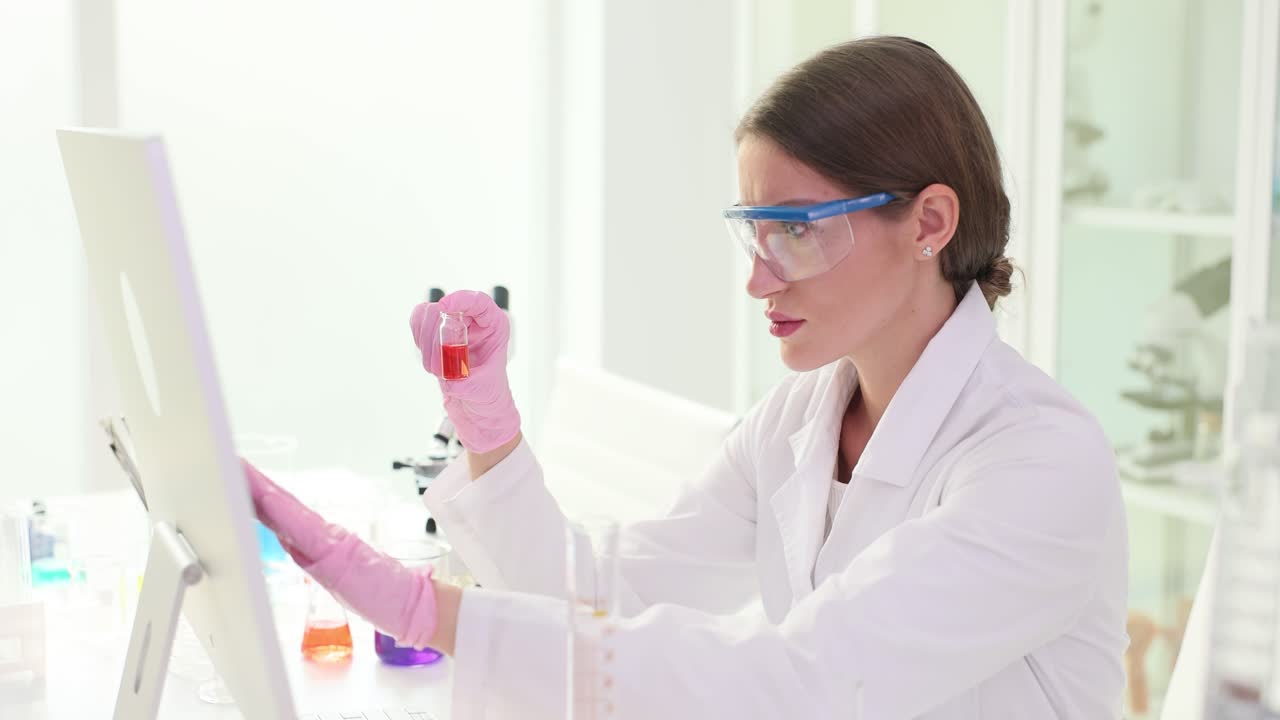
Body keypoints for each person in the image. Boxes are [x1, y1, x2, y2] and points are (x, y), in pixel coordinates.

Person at [246, 36, 1128, 719]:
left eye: (798, 229)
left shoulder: (1038, 462)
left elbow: (799, 681)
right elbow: (608, 592)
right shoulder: (797, 422)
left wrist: (429, 613)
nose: (759, 277)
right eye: (755, 230)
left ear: (930, 220)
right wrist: (492, 435)